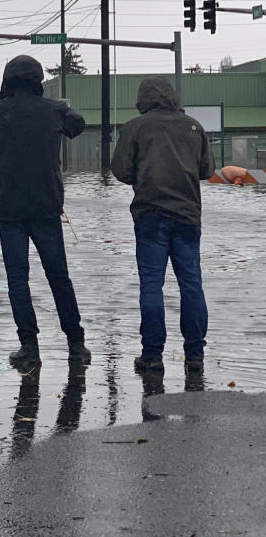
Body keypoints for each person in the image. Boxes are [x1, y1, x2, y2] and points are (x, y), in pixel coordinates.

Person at [0, 55, 91, 366]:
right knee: (59, 276)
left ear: (7, 80)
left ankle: (29, 347)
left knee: (18, 279)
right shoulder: (55, 110)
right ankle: (76, 344)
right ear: (37, 80)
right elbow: (78, 125)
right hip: (46, 206)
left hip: (10, 208)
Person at [110, 76, 214, 372]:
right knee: (191, 284)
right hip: (188, 217)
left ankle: (152, 355)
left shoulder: (136, 127)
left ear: (143, 99)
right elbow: (207, 169)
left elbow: (119, 170)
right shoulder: (193, 126)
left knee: (151, 285)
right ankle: (195, 355)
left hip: (150, 217)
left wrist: (142, 177)